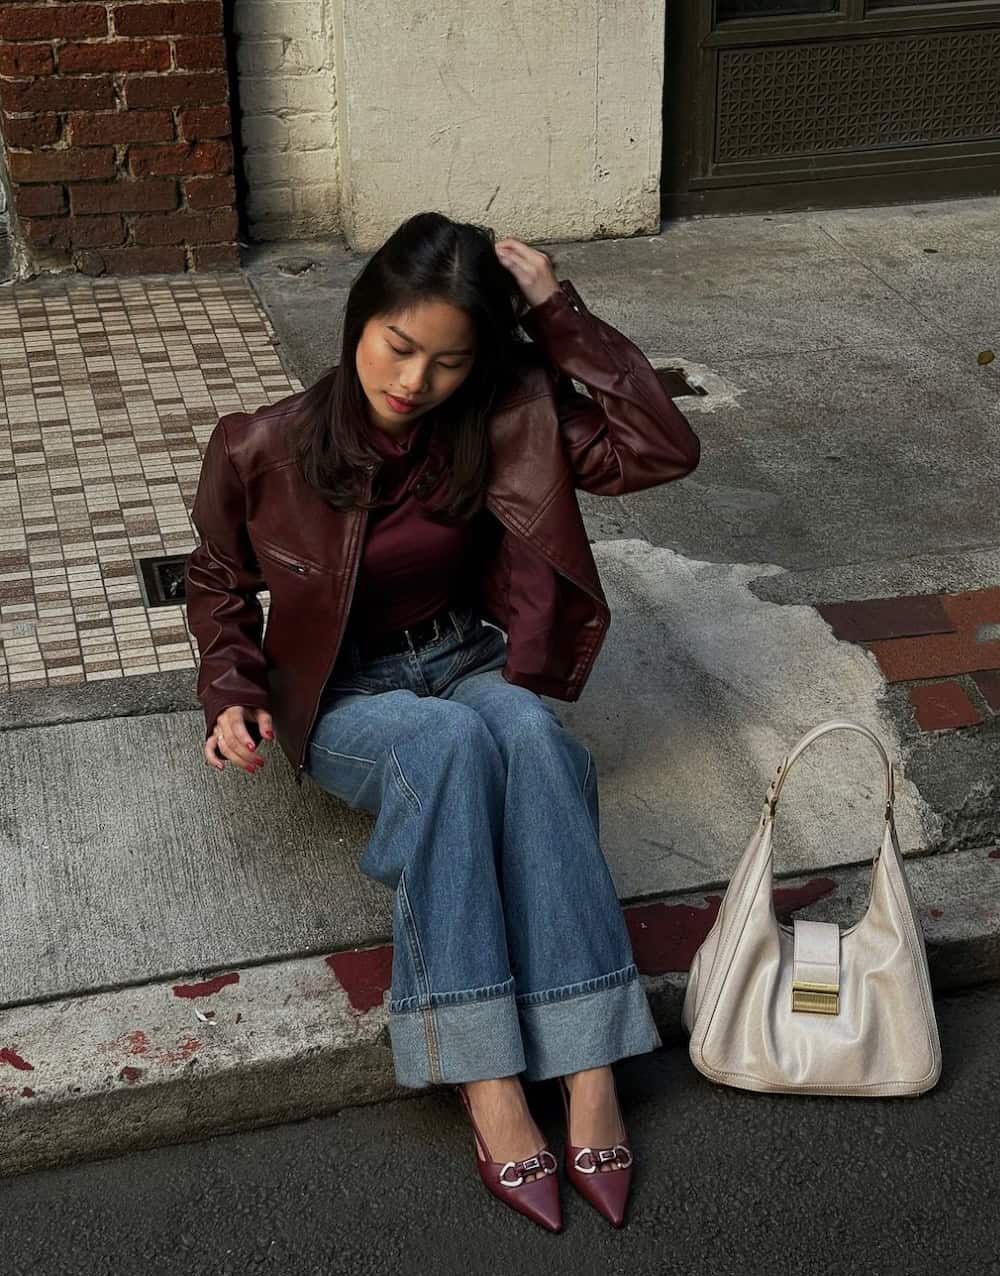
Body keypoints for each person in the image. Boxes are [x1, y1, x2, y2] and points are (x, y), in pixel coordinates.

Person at [186, 212, 700, 1233]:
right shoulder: (263, 443)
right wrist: (232, 688)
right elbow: (217, 581)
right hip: (340, 694)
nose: (414, 380)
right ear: (358, 320)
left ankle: (589, 1063)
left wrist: (558, 313)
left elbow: (658, 445)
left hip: (460, 655)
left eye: (447, 361)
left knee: (533, 742)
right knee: (455, 745)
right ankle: (489, 1079)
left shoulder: (507, 412)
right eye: (398, 345)